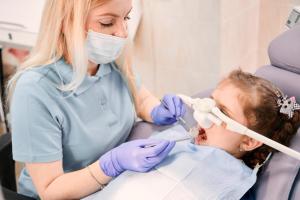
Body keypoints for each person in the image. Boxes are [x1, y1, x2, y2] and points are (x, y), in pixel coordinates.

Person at [8, 0, 186, 199]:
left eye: (126, 17)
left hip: (111, 186)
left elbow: (140, 99)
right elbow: (50, 190)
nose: (123, 33)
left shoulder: (111, 62)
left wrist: (156, 110)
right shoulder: (35, 90)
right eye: (107, 22)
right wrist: (111, 164)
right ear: (66, 23)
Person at [84, 70, 300, 200]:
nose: (203, 113)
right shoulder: (174, 140)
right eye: (210, 102)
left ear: (249, 140)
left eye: (221, 112)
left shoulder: (235, 183)